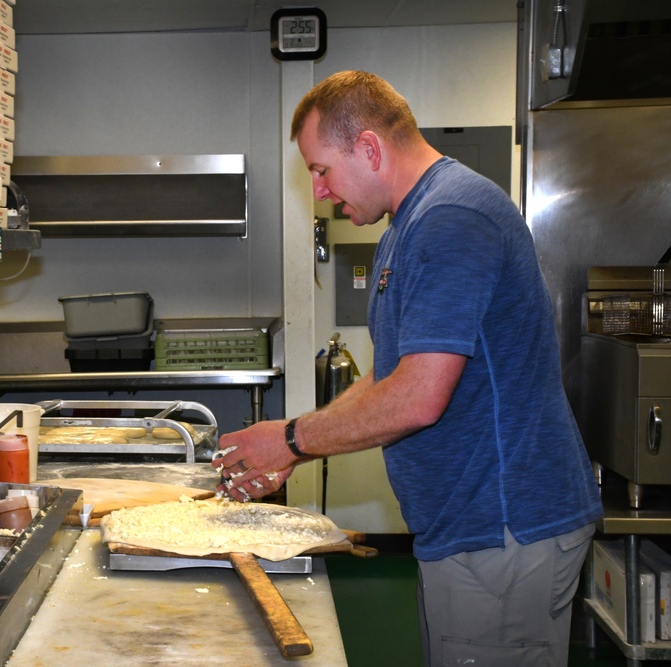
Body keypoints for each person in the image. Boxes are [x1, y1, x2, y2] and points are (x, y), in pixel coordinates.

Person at [212, 71, 603, 667]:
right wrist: (292, 442)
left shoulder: (452, 219)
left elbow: (418, 398)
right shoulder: (408, 226)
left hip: (502, 529)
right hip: (466, 528)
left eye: (320, 170)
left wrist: (289, 441)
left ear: (369, 147)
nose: (318, 191)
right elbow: (390, 378)